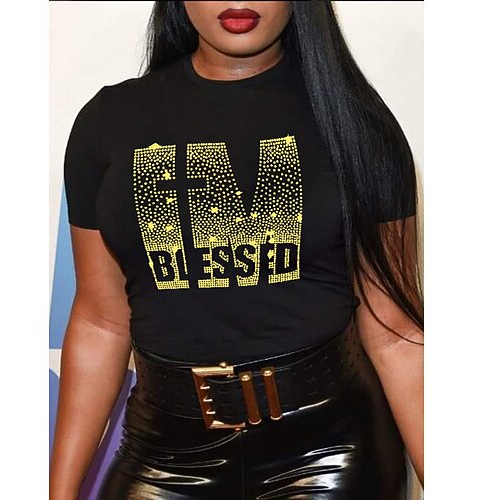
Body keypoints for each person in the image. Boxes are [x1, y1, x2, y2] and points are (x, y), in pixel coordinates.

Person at [49, 2, 424, 499]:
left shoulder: (357, 122)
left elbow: (395, 334)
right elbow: (102, 321)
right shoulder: (109, 122)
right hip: (162, 454)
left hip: (330, 456)